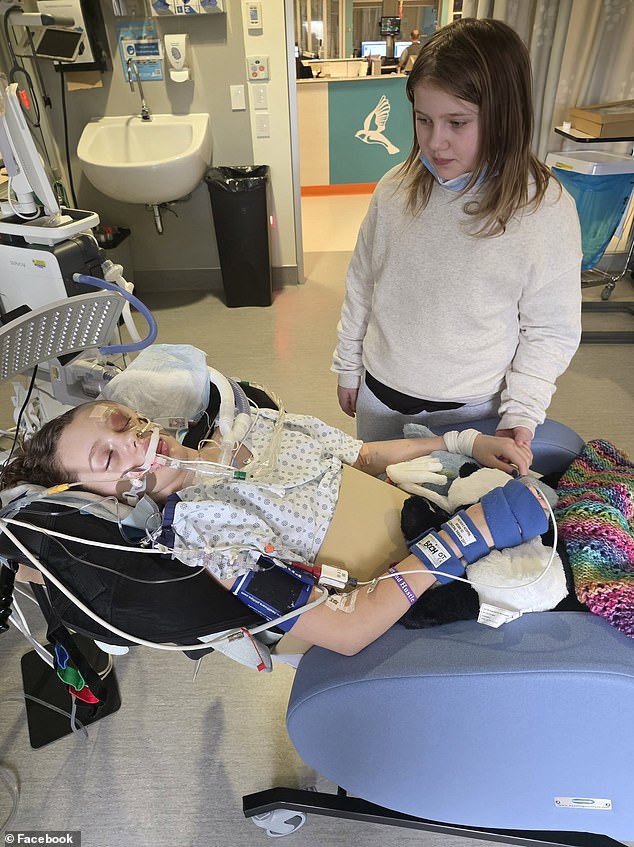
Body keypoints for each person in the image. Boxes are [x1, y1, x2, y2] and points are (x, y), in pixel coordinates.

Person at [1, 393, 548, 656]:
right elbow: (347, 629)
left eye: (122, 423)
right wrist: (464, 536)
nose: (132, 442)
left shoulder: (256, 426)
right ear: (101, 500)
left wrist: (464, 442)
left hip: (435, 506)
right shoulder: (205, 537)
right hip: (436, 578)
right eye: (107, 460)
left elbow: (366, 456)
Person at [332, 18, 582, 453]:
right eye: (423, 120)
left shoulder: (544, 209)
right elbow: (362, 283)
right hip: (381, 396)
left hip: (474, 411)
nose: (435, 142)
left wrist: (522, 409)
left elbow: (550, 328)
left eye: (458, 123)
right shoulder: (394, 189)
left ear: (504, 118)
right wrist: (348, 366)